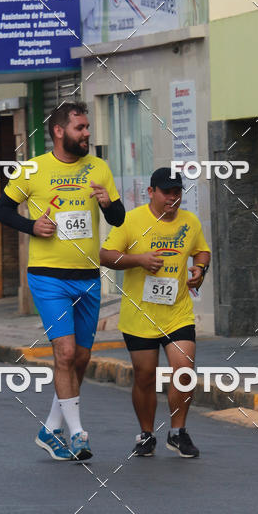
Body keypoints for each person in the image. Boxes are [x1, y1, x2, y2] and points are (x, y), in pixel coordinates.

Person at [0, 102, 124, 461]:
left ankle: (50, 427)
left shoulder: (98, 167)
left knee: (80, 358)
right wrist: (31, 226)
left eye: (87, 128)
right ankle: (78, 433)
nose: (86, 134)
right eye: (80, 128)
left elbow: (117, 217)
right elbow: (1, 210)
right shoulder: (34, 169)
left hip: (88, 277)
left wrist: (106, 202)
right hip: (48, 276)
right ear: (58, 131)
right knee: (64, 353)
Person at [100, 167, 210, 459]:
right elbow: (105, 255)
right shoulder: (131, 221)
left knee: (184, 372)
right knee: (145, 377)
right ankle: (146, 434)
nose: (173, 199)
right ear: (151, 192)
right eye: (167, 193)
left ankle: (178, 432)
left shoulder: (190, 221)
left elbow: (202, 251)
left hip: (178, 313)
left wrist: (200, 269)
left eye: (177, 192)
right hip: (140, 315)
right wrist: (138, 260)